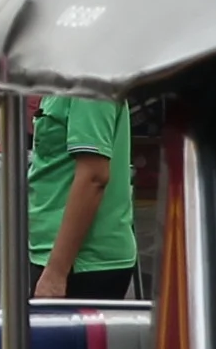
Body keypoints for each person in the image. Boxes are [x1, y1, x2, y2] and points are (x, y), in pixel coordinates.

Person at [27, 93, 139, 300]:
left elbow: (93, 177)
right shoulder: (65, 81)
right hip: (54, 255)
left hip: (80, 264)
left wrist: (56, 272)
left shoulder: (87, 85)